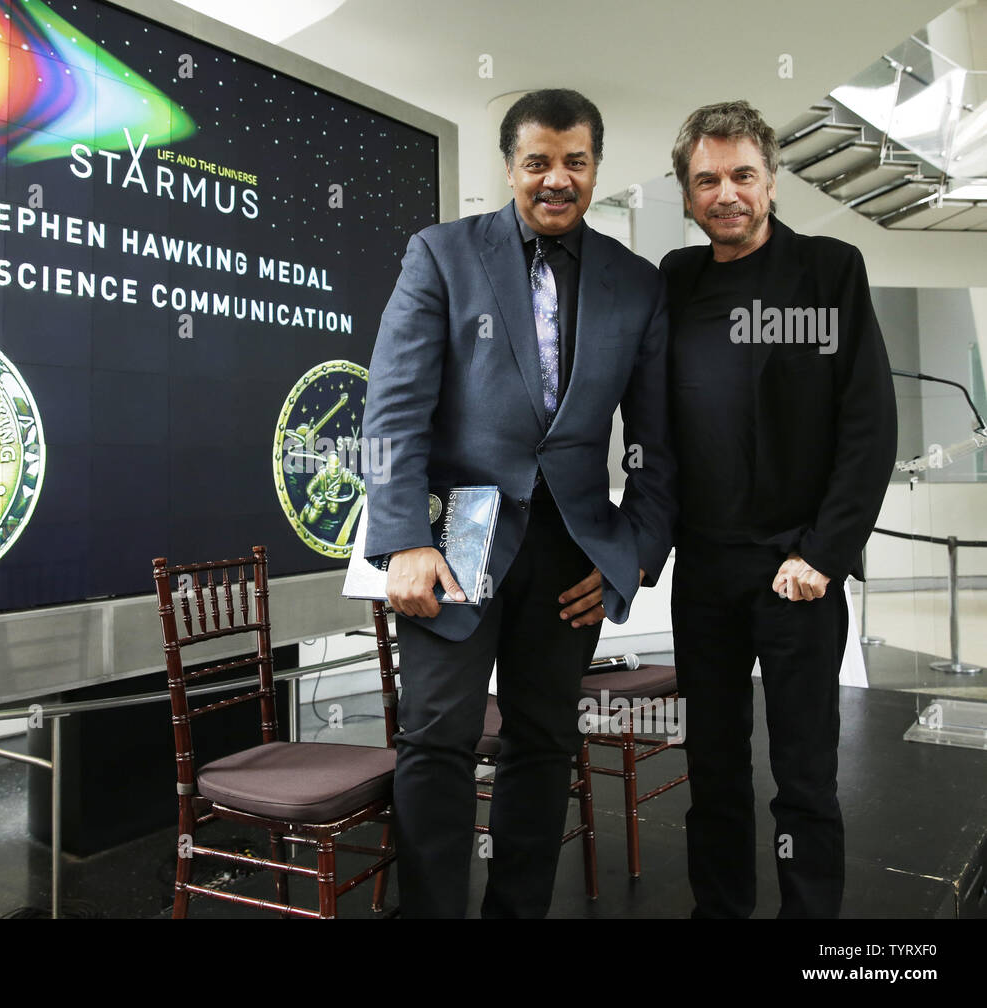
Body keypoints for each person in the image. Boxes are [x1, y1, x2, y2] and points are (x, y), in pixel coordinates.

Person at [362, 89, 676, 918]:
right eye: (538, 161)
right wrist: (400, 538)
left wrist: (634, 554)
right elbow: (392, 408)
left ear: (596, 168)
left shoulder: (637, 285)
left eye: (575, 162)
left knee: (544, 743)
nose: (556, 179)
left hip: (572, 548)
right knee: (437, 741)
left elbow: (656, 442)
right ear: (510, 167)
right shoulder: (441, 254)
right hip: (454, 537)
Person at [660, 99, 898, 918]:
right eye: (707, 180)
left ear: (771, 179)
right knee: (714, 771)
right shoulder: (676, 279)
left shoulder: (830, 269)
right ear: (687, 192)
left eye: (742, 175)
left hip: (799, 568)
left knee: (804, 777)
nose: (726, 193)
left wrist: (825, 555)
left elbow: (868, 430)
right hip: (705, 573)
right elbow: (654, 426)